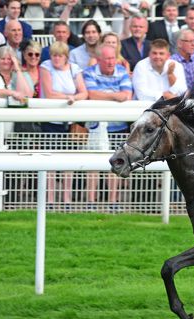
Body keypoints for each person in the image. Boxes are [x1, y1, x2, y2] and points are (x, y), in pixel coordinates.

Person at [83, 44, 133, 209]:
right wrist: (114, 95)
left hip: (118, 128)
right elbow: (92, 94)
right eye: (107, 59)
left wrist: (106, 95)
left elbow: (127, 94)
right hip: (96, 127)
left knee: (117, 163)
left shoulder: (122, 71)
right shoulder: (89, 72)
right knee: (93, 165)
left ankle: (113, 201)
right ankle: (91, 201)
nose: (111, 62)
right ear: (98, 60)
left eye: (113, 58)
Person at [39, 41, 88, 207]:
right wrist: (69, 97)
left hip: (70, 121)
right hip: (51, 121)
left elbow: (83, 92)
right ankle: (51, 199)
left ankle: (67, 199)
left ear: (66, 56)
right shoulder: (45, 66)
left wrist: (73, 98)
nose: (56, 58)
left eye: (59, 55)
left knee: (69, 161)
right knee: (50, 161)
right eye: (54, 55)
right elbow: (49, 93)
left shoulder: (74, 68)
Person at [0, 46, 34, 135]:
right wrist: (10, 93)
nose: (6, 61)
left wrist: (18, 70)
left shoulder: (23, 74)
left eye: (9, 59)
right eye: (2, 58)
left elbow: (27, 95)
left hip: (16, 130)